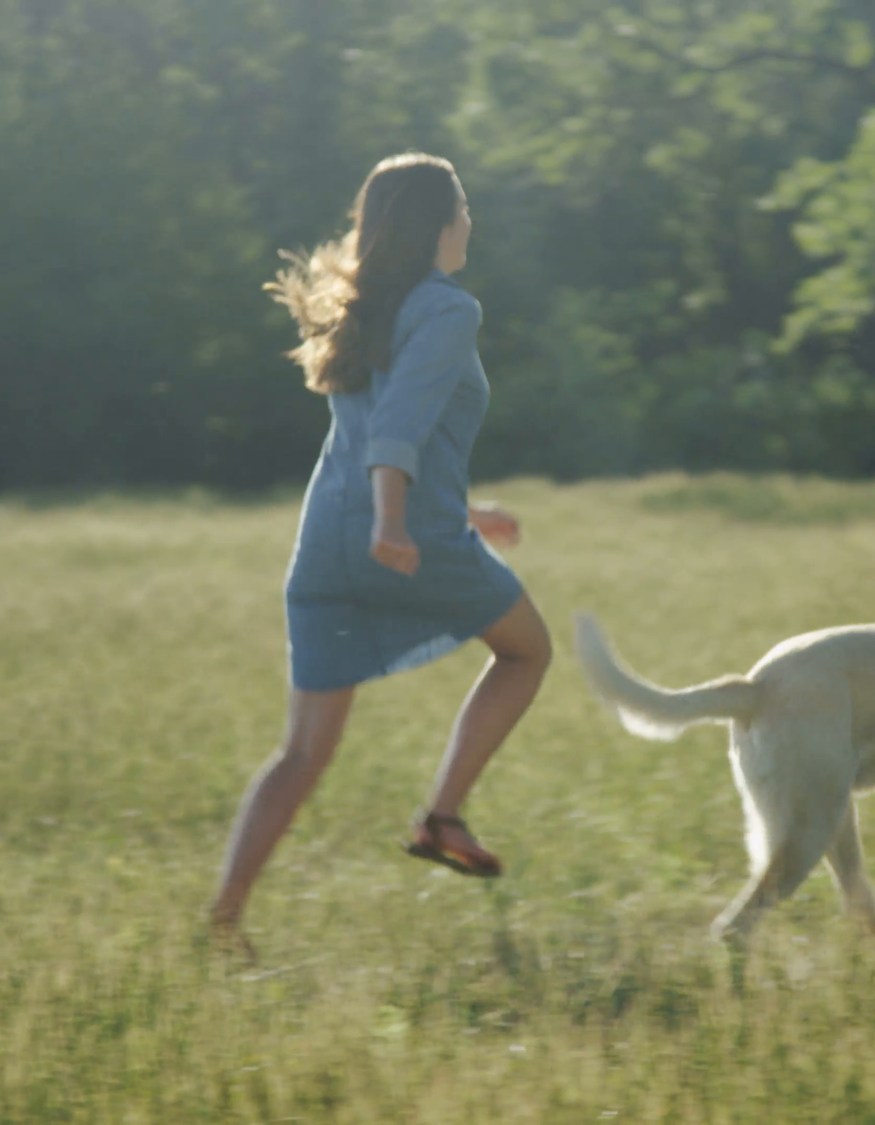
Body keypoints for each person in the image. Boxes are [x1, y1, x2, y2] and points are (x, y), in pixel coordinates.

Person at [208, 153, 552, 952]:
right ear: (441, 222)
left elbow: (375, 433)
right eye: (463, 212)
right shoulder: (446, 308)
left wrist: (459, 507)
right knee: (527, 652)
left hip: (327, 547)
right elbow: (397, 425)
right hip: (405, 542)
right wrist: (396, 523)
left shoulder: (364, 309)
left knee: (301, 752)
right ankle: (442, 815)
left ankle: (224, 919)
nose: (470, 226)